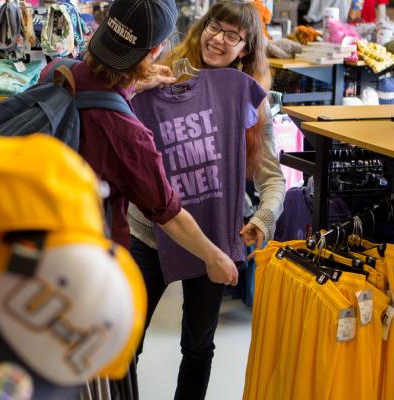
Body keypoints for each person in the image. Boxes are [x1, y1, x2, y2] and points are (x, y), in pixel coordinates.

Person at [127, 0, 286, 398]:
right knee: (125, 344)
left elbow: (273, 178)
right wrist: (138, 86)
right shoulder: (160, 76)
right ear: (203, 26)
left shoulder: (244, 96)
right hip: (149, 233)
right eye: (216, 27)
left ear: (245, 49)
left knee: (198, 346)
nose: (219, 39)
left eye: (233, 35)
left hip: (213, 238)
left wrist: (263, 219)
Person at [70, 0, 237, 287]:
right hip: (90, 262)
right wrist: (215, 257)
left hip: (40, 237)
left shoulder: (61, 72)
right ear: (156, 50)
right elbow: (168, 213)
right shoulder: (128, 135)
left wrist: (134, 85)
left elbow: (100, 91)